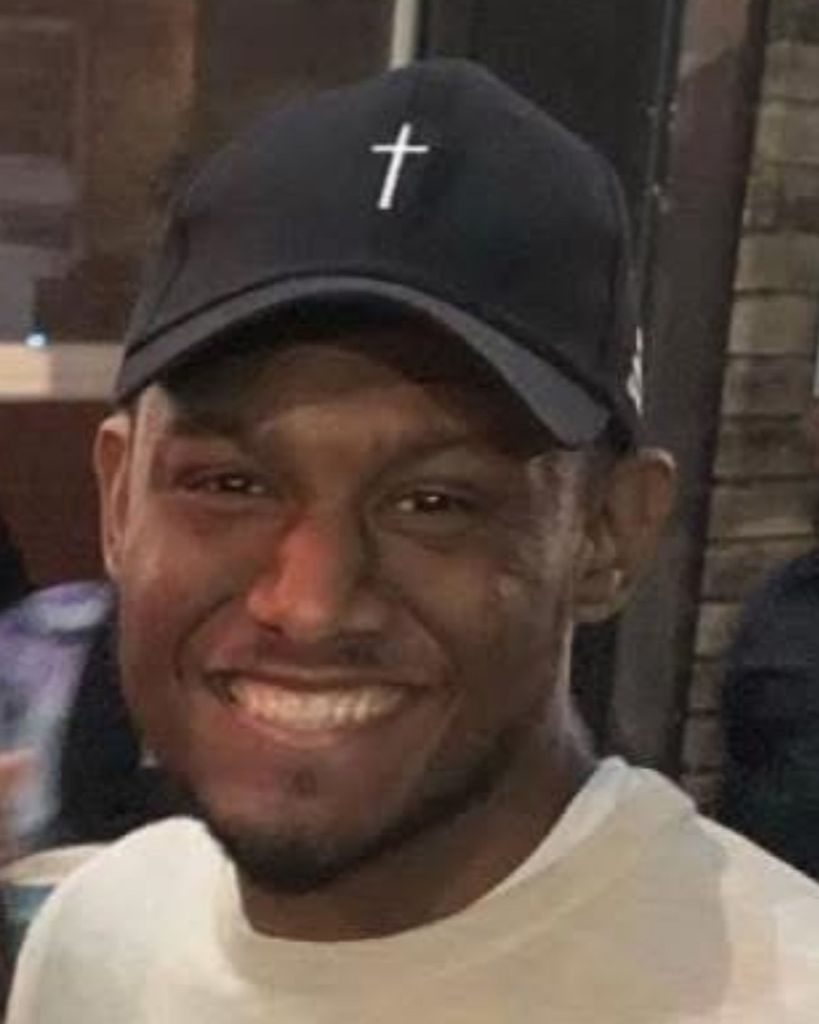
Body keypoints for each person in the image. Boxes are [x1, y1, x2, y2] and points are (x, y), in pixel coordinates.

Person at [7, 59, 819, 1022]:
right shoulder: (95, 937)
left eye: (434, 502)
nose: (310, 604)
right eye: (229, 485)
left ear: (609, 533)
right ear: (118, 500)